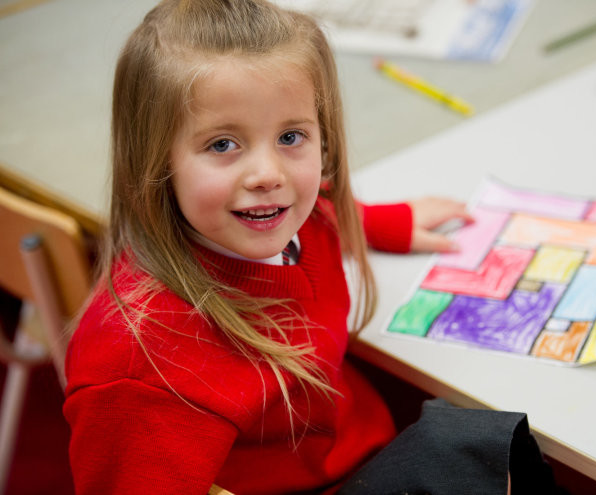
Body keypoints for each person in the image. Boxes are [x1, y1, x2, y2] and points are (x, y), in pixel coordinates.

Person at [64, 1, 558, 494]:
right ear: (153, 161)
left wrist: (384, 223)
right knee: (466, 446)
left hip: (350, 443)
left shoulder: (291, 216)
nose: (268, 175)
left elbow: (321, 206)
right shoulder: (140, 367)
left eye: (290, 136)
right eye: (222, 145)